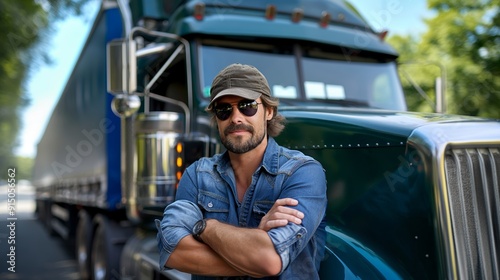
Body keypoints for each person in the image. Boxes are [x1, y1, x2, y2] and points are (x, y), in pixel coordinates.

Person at [156, 63, 327, 279]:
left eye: (247, 106)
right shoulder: (197, 176)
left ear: (269, 111)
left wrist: (204, 227)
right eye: (224, 110)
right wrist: (255, 249)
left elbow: (269, 259)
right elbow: (173, 253)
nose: (236, 118)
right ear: (216, 119)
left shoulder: (302, 172)